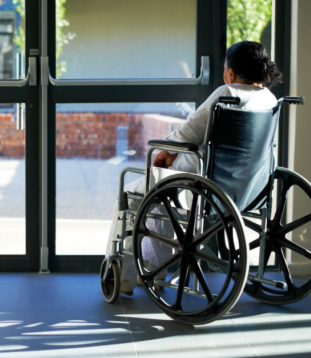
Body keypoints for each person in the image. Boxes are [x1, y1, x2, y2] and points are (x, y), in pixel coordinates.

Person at [106, 41, 283, 296]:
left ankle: (125, 276)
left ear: (230, 73)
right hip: (249, 186)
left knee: (131, 196)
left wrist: (165, 153)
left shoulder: (228, 93)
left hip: (202, 184)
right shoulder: (268, 99)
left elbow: (187, 134)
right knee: (161, 197)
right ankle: (156, 271)